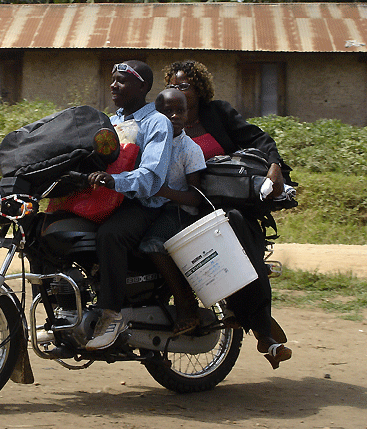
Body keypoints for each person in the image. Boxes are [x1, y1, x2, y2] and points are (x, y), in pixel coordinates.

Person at [163, 59, 292, 369]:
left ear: (199, 89)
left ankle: (262, 331)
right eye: (172, 85)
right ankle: (260, 327)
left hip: (224, 203)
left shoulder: (217, 113)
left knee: (235, 224)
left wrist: (275, 168)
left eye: (185, 86)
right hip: (183, 205)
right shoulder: (163, 119)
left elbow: (260, 140)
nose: (178, 91)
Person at [84, 60, 174, 351]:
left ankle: (112, 313)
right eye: (112, 79)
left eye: (122, 81)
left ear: (143, 87)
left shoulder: (156, 123)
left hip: (144, 204)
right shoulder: (111, 122)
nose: (113, 85)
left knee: (111, 235)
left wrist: (115, 182)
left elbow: (151, 177)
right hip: (110, 199)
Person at [138, 87, 206, 335]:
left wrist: (164, 191)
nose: (174, 116)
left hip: (179, 211)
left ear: (189, 114)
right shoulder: (147, 142)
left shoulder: (189, 149)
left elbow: (196, 198)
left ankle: (185, 302)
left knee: (152, 244)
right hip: (153, 208)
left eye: (180, 111)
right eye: (167, 112)